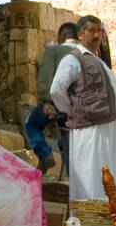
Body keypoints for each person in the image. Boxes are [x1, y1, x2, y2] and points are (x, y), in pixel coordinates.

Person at [50, 15, 116, 209]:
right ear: (81, 34)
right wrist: (70, 111)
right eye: (92, 31)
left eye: (100, 31)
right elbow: (56, 88)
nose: (97, 35)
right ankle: (92, 225)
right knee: (92, 177)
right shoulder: (73, 58)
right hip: (90, 130)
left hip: (110, 129)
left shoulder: (99, 62)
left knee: (113, 173)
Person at [25, 22, 77, 173]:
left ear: (61, 35)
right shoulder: (85, 52)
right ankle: (75, 183)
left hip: (59, 105)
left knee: (32, 124)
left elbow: (46, 76)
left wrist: (47, 101)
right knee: (69, 141)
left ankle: (44, 154)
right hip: (82, 108)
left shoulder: (55, 51)